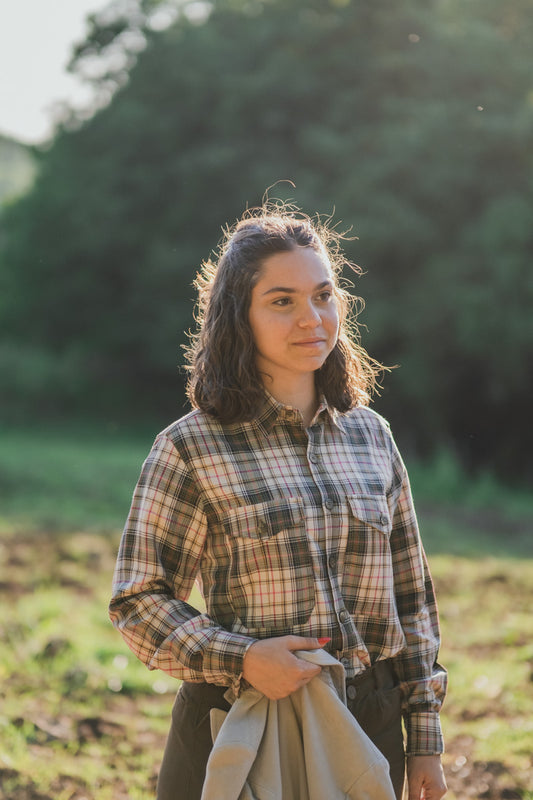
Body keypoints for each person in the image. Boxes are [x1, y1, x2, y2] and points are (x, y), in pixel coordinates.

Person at [109, 203, 448, 800]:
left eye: (323, 295)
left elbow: (412, 600)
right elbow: (138, 601)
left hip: (367, 721)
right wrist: (242, 658)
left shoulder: (372, 437)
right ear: (239, 317)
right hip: (238, 723)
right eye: (282, 301)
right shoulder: (191, 446)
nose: (311, 318)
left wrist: (424, 737)